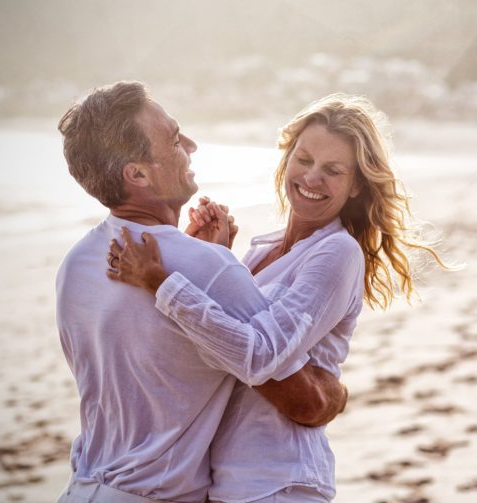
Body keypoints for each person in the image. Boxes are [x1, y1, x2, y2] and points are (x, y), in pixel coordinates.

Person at [108, 93, 448, 502]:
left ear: (357, 184)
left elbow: (261, 355)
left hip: (278, 479)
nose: (311, 178)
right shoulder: (260, 249)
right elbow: (226, 342)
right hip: (228, 476)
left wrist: (162, 283)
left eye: (332, 170)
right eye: (303, 160)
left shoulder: (337, 252)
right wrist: (218, 258)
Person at [55, 81, 347, 503]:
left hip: (83, 488)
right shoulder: (207, 268)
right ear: (137, 174)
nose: (191, 145)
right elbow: (302, 402)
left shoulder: (77, 262)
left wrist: (209, 260)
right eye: (175, 140)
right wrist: (337, 394)